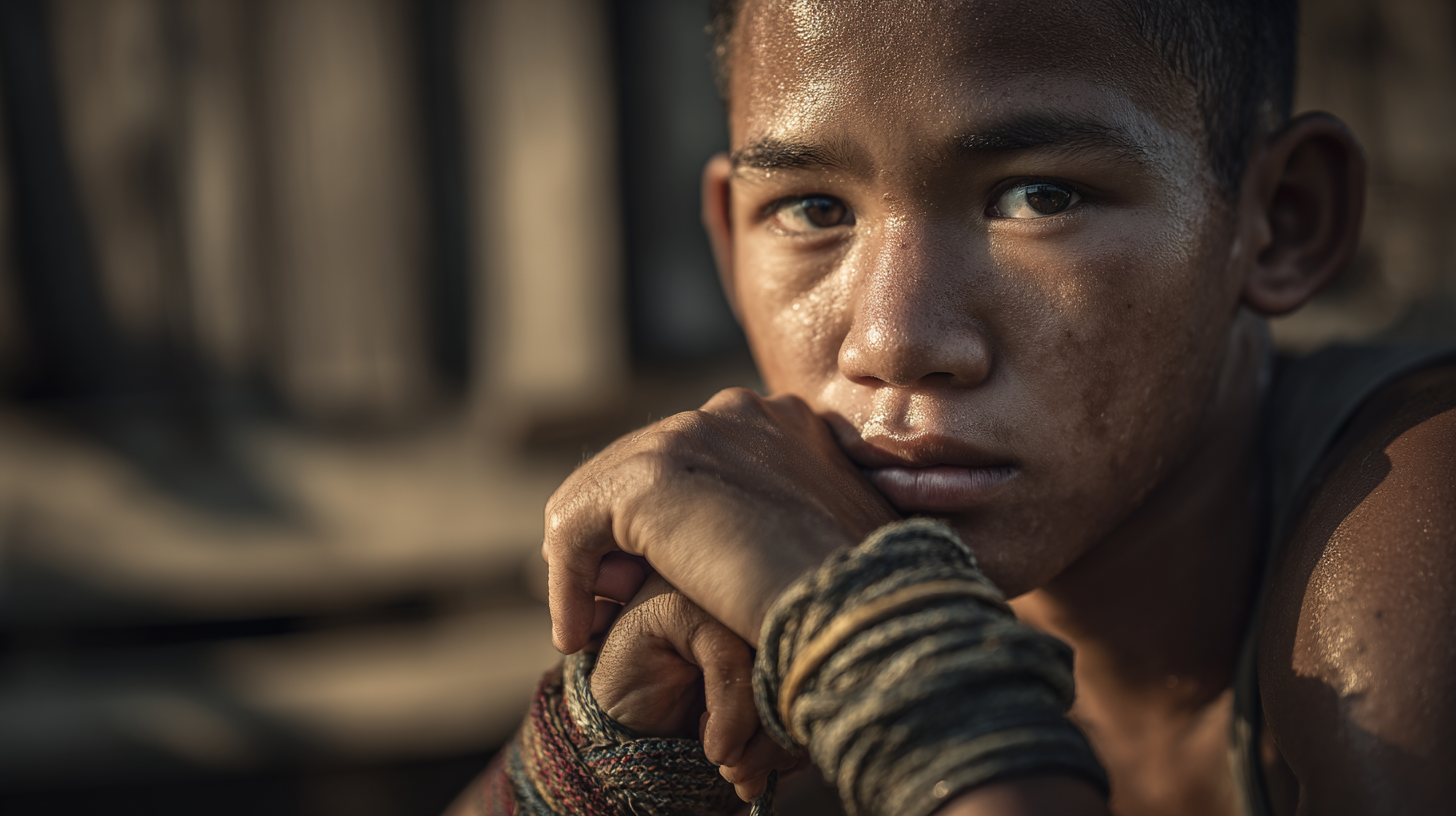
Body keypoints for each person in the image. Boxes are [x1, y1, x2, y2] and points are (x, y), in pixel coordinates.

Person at [448, 1, 1456, 814]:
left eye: (1038, 197)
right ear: (728, 240)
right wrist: (603, 760)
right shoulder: (765, 657)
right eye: (812, 210)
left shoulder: (1412, 533)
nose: (891, 342)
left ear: (1279, 221)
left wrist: (880, 649)